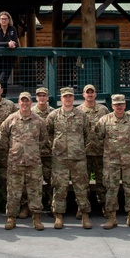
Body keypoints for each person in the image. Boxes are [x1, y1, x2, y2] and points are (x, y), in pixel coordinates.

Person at [0, 92, 48, 231]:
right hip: (15, 162)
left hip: (33, 162)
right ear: (19, 102)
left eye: (27, 101)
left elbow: (43, 139)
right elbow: (3, 136)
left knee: (35, 191)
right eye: (22, 101)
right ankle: (11, 218)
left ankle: (37, 219)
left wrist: (32, 149)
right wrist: (13, 149)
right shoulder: (11, 119)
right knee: (14, 191)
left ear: (31, 102)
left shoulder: (38, 121)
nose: (25, 103)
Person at [47, 87, 92, 229]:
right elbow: (48, 135)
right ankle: (59, 216)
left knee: (82, 187)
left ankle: (84, 215)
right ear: (61, 98)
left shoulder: (82, 115)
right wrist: (57, 148)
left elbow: (88, 135)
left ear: (74, 98)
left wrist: (80, 149)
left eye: (70, 96)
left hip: (78, 158)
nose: (68, 99)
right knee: (60, 187)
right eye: (65, 96)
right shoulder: (53, 116)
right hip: (60, 159)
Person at [96, 95, 130, 230]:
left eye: (121, 104)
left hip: (129, 162)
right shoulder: (104, 120)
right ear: (112, 105)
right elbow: (98, 138)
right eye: (116, 104)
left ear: (125, 104)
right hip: (111, 162)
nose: (119, 106)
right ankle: (111, 218)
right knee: (111, 189)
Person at [78, 84, 109, 213]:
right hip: (83, 153)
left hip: (100, 152)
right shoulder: (78, 111)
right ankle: (83, 207)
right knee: (82, 183)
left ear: (96, 94)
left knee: (102, 182)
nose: (90, 95)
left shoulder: (103, 110)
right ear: (83, 94)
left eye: (92, 92)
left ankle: (104, 206)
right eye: (87, 92)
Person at [31, 86, 54, 213]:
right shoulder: (31, 113)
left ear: (47, 97)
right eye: (39, 95)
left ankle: (52, 206)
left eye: (44, 95)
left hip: (50, 153)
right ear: (36, 97)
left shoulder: (54, 113)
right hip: (36, 154)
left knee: (52, 181)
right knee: (34, 183)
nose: (42, 98)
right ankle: (34, 208)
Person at [0, 11, 18, 87]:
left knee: (3, 80)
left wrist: (13, 44)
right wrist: (8, 44)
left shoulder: (13, 29)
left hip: (8, 60)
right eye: (2, 19)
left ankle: (3, 98)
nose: (4, 20)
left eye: (5, 19)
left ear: (9, 20)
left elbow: (16, 43)